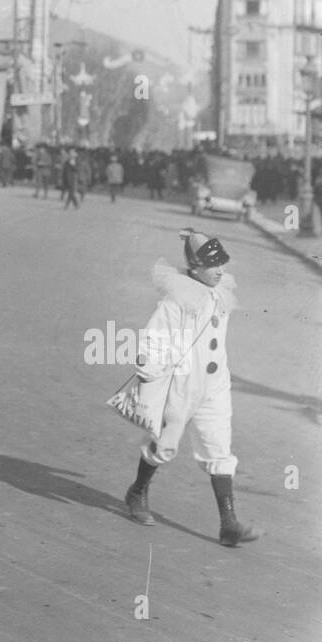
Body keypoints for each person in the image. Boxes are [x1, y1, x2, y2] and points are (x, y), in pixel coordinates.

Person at [116, 229, 261, 548]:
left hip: (215, 384)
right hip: (180, 382)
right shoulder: (177, 298)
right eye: (212, 265)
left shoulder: (221, 290)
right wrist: (149, 376)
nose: (220, 270)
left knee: (218, 446)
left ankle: (228, 523)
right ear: (194, 267)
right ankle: (138, 491)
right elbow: (155, 337)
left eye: (222, 262)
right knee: (164, 444)